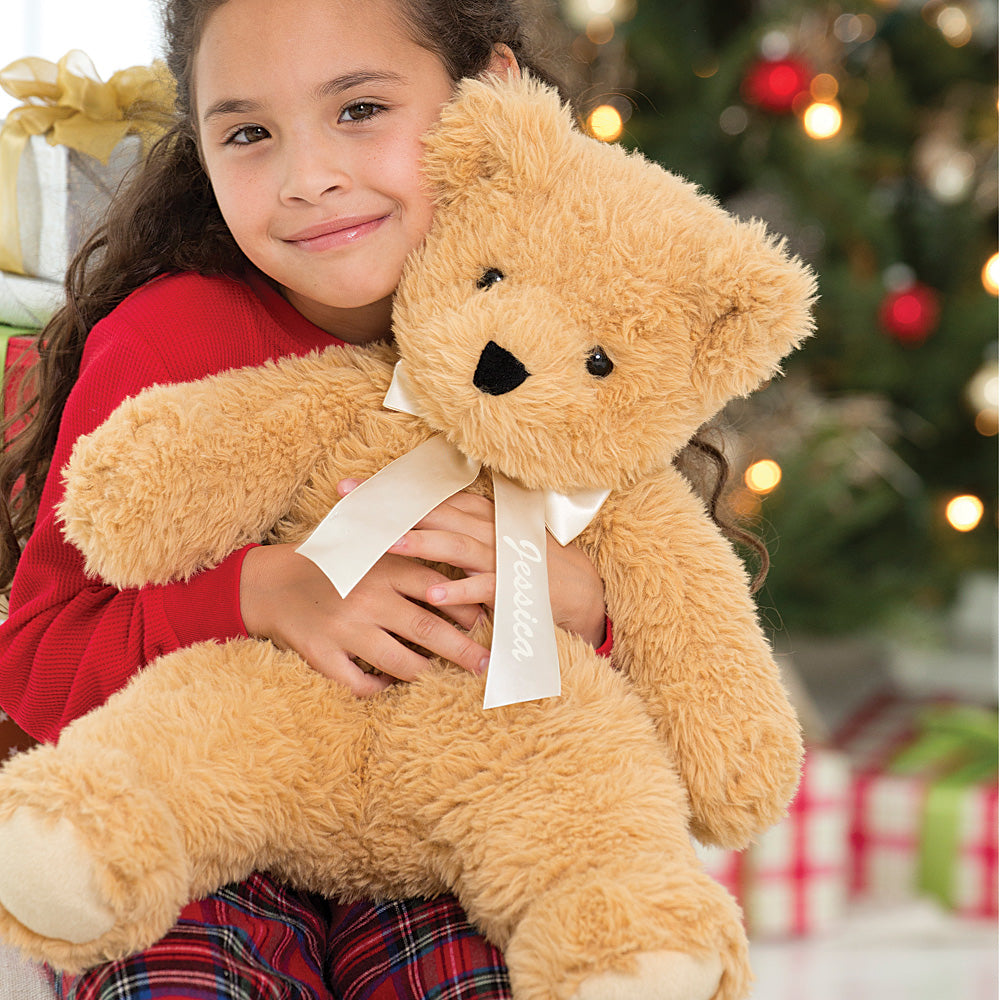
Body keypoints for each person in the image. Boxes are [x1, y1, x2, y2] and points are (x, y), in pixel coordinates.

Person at [0, 0, 615, 997]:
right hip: (205, 820)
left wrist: (583, 604)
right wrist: (255, 594)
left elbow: (671, 619)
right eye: (249, 133)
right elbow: (36, 658)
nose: (307, 178)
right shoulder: (166, 345)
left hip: (447, 829)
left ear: (492, 90)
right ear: (200, 147)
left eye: (360, 108)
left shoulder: (572, 335)